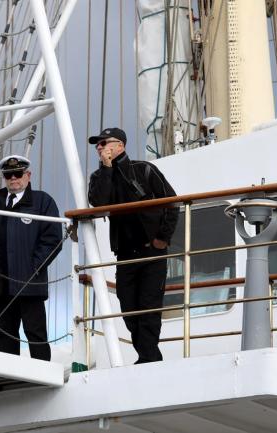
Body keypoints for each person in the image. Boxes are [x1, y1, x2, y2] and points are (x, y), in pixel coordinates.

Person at [88, 127, 178, 364]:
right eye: (97, 144)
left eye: (104, 143)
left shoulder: (145, 169)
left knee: (149, 307)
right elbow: (99, 203)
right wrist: (106, 168)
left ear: (121, 145)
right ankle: (150, 357)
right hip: (125, 253)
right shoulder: (98, 177)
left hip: (152, 250)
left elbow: (172, 202)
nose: (99, 147)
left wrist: (162, 238)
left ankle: (147, 359)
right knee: (128, 308)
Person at [0, 155, 62, 361]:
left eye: (17, 173)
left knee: (35, 334)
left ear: (28, 175)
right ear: (4, 178)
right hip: (0, 285)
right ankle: (8, 376)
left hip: (30, 283)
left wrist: (34, 268)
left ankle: (42, 373)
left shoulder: (43, 202)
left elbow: (53, 240)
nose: (13, 178)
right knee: (3, 336)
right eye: (8, 175)